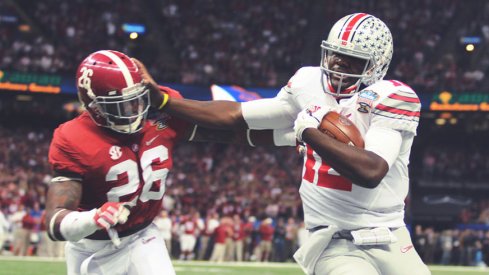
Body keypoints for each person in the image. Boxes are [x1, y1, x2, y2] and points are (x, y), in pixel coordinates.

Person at [136, 13, 430, 275]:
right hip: (333, 238)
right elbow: (237, 116)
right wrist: (165, 101)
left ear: (376, 66)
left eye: (352, 59)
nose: (339, 65)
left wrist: (309, 133)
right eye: (334, 55)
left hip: (390, 233)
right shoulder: (308, 83)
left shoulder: (392, 97)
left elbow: (371, 171)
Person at [44, 50, 268, 275]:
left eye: (138, 100)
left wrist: (284, 135)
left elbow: (228, 127)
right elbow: (55, 222)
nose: (135, 111)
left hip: (143, 237)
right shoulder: (72, 137)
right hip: (90, 246)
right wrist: (93, 218)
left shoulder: (160, 110)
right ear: (94, 106)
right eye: (121, 105)